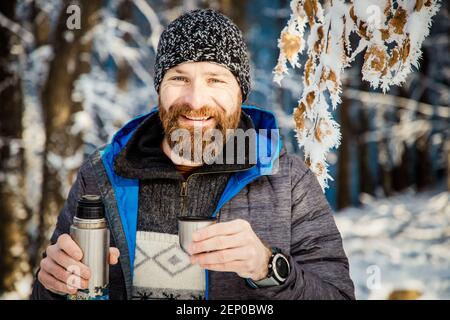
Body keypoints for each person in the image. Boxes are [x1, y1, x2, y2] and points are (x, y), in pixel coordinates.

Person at [32, 8, 354, 300]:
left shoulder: (288, 182)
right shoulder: (102, 174)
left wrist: (268, 268)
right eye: (179, 78)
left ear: (240, 91)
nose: (196, 99)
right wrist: (54, 287)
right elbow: (53, 293)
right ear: (159, 88)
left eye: (215, 79)